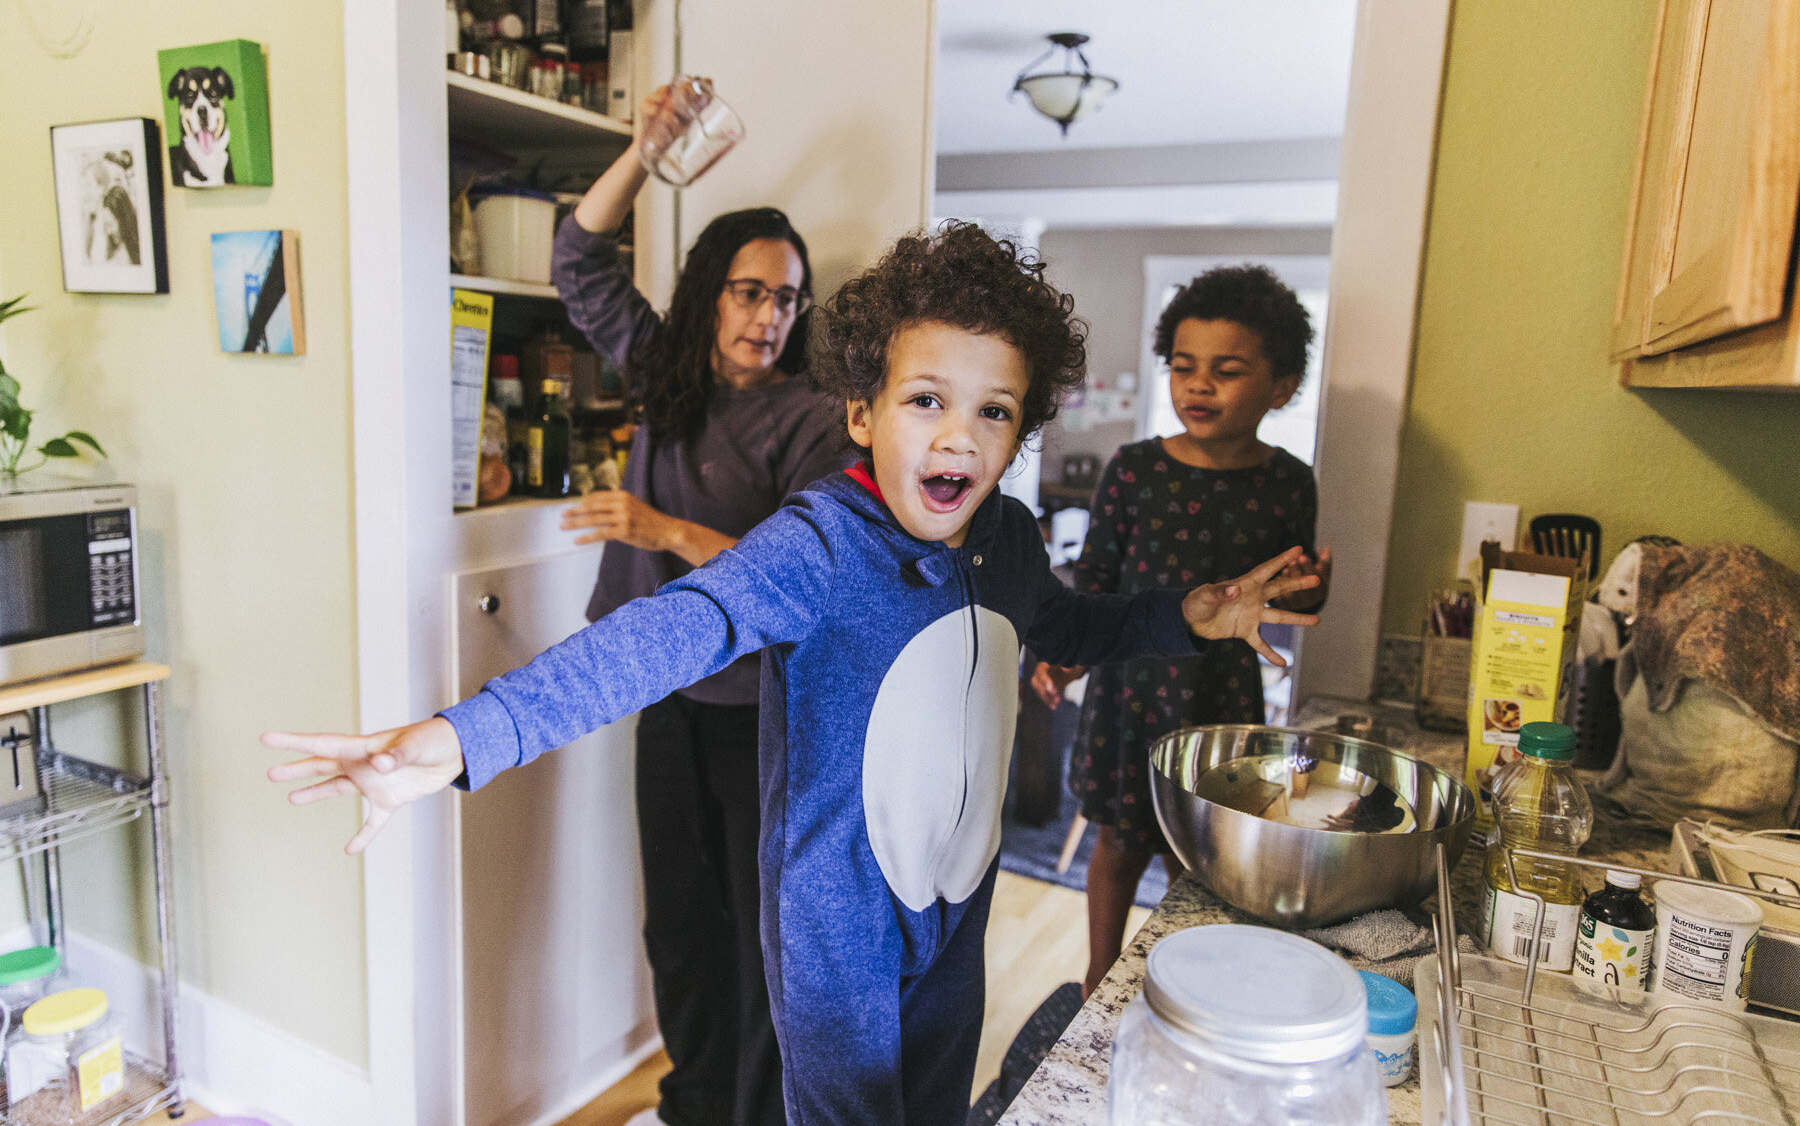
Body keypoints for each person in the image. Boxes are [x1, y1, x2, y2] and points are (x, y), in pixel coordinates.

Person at [263, 226, 1322, 1126]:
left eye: (995, 411)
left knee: (934, 1103)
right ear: (862, 413)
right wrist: (459, 739)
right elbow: (661, 634)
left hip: (958, 898)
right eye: (925, 401)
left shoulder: (1004, 538)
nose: (960, 433)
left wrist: (1192, 615)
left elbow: (1064, 622)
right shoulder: (819, 546)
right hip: (839, 924)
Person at [551, 85, 843, 1126]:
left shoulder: (809, 419)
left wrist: (661, 529)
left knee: (760, 932)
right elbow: (576, 261)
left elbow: (798, 577)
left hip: (759, 709)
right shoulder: (663, 375)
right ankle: (694, 1103)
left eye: (787, 299)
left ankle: (759, 1114)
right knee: (677, 924)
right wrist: (645, 149)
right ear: (710, 292)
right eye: (750, 291)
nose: (770, 316)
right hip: (660, 689)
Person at [1031, 263, 1332, 996]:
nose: (1198, 386)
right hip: (1129, 691)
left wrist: (1314, 586)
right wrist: (1068, 659)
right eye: (1184, 368)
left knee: (1201, 851)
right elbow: (1095, 582)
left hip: (1219, 700)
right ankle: (1099, 975)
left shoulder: (1290, 481)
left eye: (1225, 371)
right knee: (1118, 838)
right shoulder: (1134, 470)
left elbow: (1288, 597)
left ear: (1281, 388)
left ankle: (1193, 974)